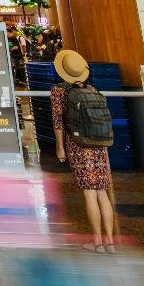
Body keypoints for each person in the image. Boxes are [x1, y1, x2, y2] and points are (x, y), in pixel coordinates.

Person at [50, 48, 117, 249]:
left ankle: (97, 241)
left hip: (78, 144)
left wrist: (60, 147)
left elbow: (58, 122)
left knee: (89, 192)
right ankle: (111, 242)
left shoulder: (58, 91)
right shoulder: (93, 90)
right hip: (99, 144)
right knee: (102, 193)